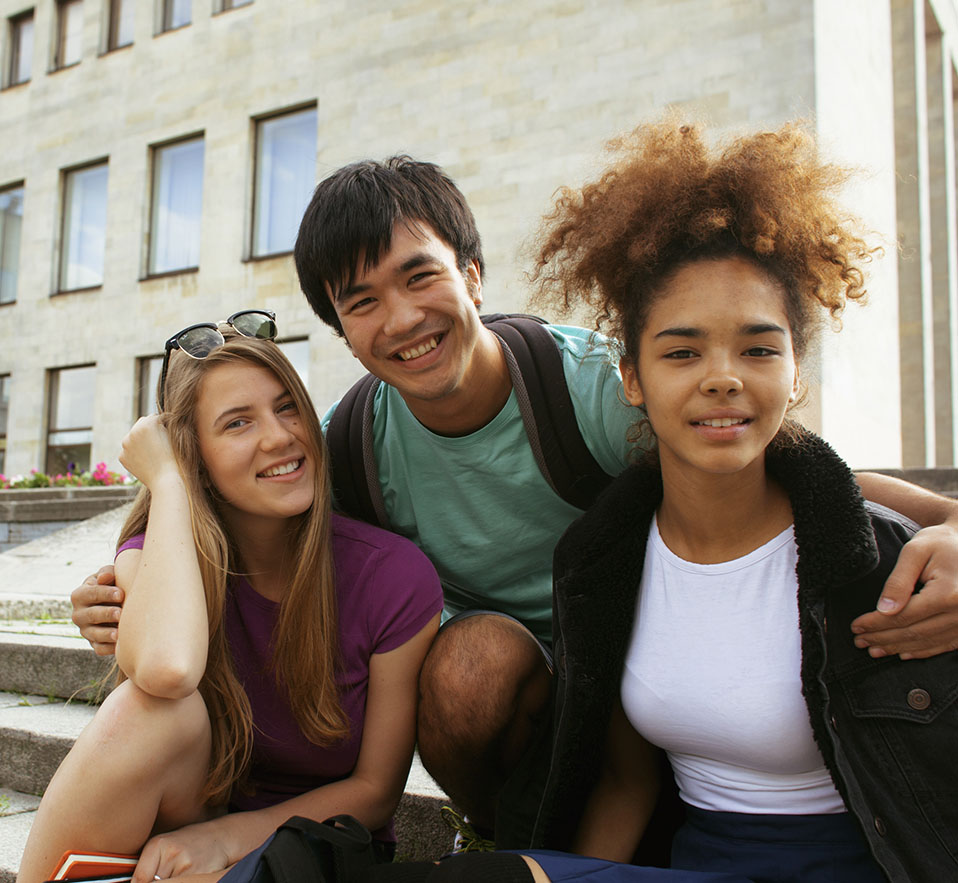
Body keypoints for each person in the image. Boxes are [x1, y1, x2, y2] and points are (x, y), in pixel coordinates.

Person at [70, 157, 958, 846]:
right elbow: (246, 498)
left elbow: (786, 460)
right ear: (343, 330)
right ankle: (515, 833)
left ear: (474, 274)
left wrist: (950, 522)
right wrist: (130, 580)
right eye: (364, 301)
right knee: (469, 663)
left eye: (422, 277)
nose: (404, 318)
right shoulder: (346, 440)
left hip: (648, 647)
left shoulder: (587, 389)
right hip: (514, 686)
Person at [503, 121, 958, 881]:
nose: (722, 377)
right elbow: (627, 783)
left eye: (757, 348)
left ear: (794, 370)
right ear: (633, 378)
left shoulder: (883, 558)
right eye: (682, 352)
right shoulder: (599, 560)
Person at [18, 316, 442, 883]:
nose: (279, 436)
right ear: (198, 459)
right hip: (189, 819)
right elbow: (167, 671)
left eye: (288, 406)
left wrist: (223, 839)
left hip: (318, 845)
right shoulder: (160, 549)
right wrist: (168, 482)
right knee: (151, 708)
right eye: (238, 423)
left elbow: (375, 792)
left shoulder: (391, 576)